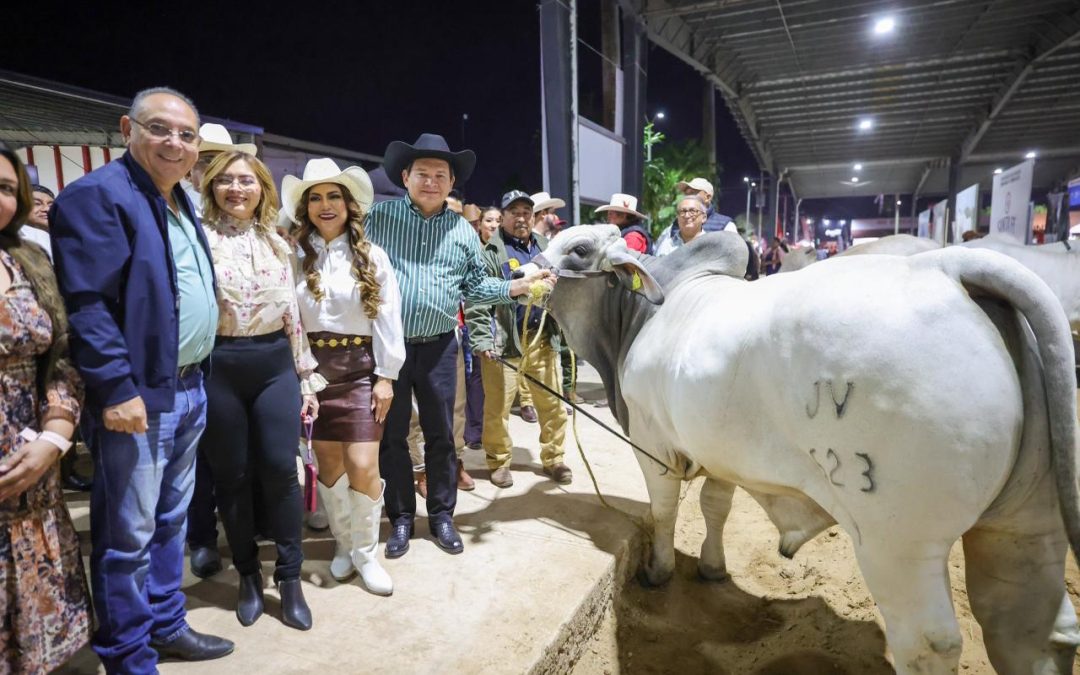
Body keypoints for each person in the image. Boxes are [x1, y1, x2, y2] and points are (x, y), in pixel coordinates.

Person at [50, 86, 234, 671]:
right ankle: (127, 653)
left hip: (188, 387)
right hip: (139, 397)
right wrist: (116, 388)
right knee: (126, 535)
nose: (173, 143)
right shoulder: (97, 197)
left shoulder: (179, 199)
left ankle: (164, 624)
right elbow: (87, 305)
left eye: (185, 134)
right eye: (159, 129)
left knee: (169, 521)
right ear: (127, 128)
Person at [366, 133, 553, 558]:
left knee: (441, 436)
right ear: (405, 176)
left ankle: (442, 516)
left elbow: (474, 286)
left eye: (439, 175)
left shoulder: (462, 231)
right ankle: (400, 518)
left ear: (451, 182)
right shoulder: (379, 218)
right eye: (422, 174)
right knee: (393, 437)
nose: (430, 182)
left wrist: (517, 285)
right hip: (388, 351)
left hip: (438, 347)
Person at [198, 151, 321, 628]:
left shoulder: (278, 242)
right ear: (212, 188)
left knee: (280, 470)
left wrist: (305, 376)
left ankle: (289, 578)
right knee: (231, 475)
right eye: (226, 181)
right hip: (219, 364)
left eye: (246, 180)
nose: (236, 189)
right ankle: (248, 575)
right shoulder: (198, 239)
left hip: (273, 364)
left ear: (262, 188)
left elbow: (293, 313)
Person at [288, 158, 404, 596]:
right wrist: (302, 376)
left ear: (348, 203)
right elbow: (290, 320)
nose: (325, 205)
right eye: (315, 198)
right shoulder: (296, 256)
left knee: (362, 465)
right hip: (313, 374)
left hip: (360, 373)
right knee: (329, 468)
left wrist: (386, 376)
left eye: (333, 195)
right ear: (307, 208)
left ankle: (366, 552)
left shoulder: (373, 256)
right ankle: (344, 545)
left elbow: (388, 317)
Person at [0, 143, 91, 673]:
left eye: (7, 188)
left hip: (32, 462)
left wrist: (55, 437)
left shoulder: (30, 260)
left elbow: (61, 356)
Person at [185, 122, 256, 577]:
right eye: (206, 160)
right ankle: (202, 539)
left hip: (241, 351)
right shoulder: (176, 207)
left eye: (221, 161)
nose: (214, 169)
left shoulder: (244, 213)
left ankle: (244, 529)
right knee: (199, 457)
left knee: (239, 450)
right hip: (196, 354)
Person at [466, 191, 571, 488]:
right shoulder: (489, 252)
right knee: (497, 408)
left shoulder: (547, 248)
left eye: (527, 211)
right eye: (515, 212)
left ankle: (554, 458)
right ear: (503, 216)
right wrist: (482, 340)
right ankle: (499, 461)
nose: (522, 217)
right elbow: (476, 299)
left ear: (534, 216)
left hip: (542, 339)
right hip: (504, 342)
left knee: (552, 404)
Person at [21, 184, 54, 258]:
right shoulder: (13, 239)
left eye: (51, 205)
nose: (47, 209)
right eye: (37, 204)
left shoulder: (64, 235)